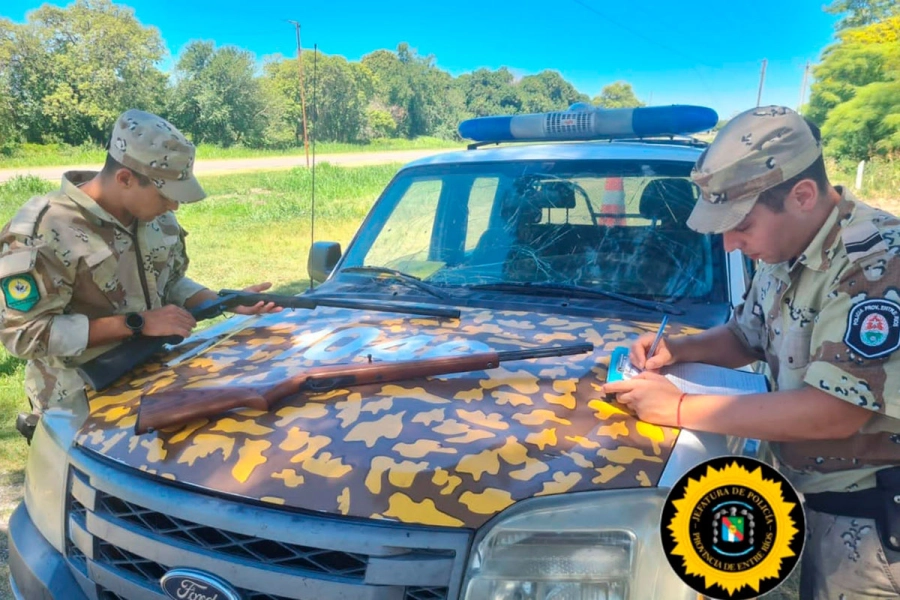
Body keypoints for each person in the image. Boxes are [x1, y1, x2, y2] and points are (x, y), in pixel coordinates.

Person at [602, 105, 900, 598]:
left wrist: (676, 407)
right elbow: (746, 336)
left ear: (802, 195)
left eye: (740, 223)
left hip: (871, 527)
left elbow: (835, 412)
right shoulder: (786, 245)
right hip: (818, 499)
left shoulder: (877, 262)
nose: (729, 242)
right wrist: (676, 350)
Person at [0, 109, 280, 421]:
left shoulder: (153, 216)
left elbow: (169, 282)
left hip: (153, 383)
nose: (173, 205)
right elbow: (23, 334)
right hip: (76, 403)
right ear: (125, 179)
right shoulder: (44, 231)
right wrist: (138, 323)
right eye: (165, 195)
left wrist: (221, 302)